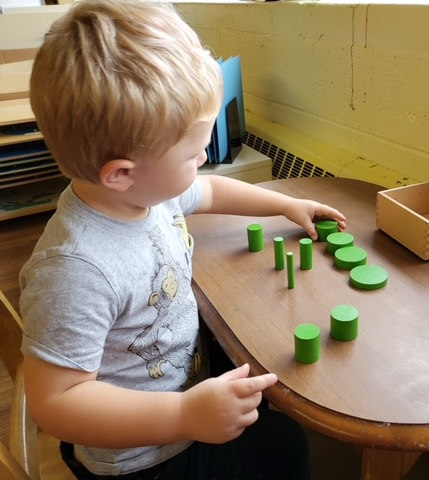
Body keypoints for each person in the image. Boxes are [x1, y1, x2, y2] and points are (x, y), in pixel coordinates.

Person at [20, 1, 347, 478]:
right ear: (121, 174)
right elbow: (56, 403)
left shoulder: (147, 194)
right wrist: (183, 416)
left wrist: (282, 204)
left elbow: (209, 189)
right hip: (145, 457)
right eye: (195, 154)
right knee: (285, 445)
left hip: (182, 384)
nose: (202, 164)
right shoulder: (75, 269)